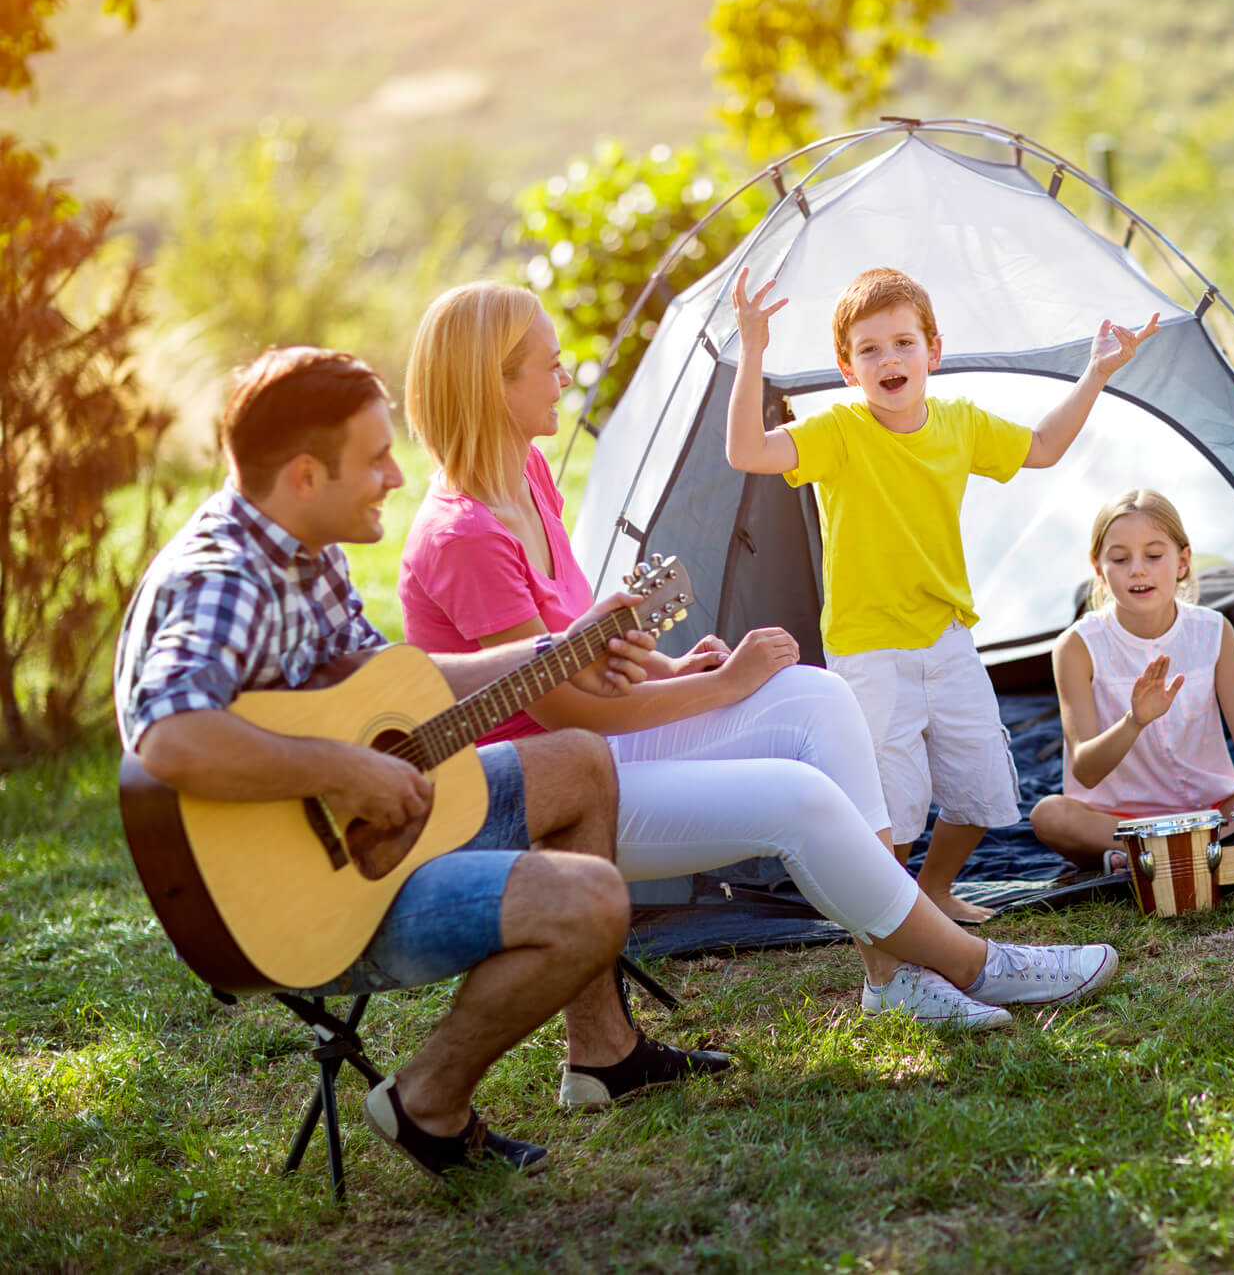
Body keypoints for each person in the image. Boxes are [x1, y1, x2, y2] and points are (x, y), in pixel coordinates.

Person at [398, 281, 1122, 1031]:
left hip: (605, 744)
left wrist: (675, 670)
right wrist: (724, 688)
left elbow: (570, 652)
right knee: (794, 796)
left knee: (818, 695)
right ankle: (971, 962)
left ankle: (892, 973)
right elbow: (559, 708)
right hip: (543, 794)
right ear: (493, 383)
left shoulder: (529, 475)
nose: (566, 379)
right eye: (549, 366)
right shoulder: (463, 535)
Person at [113, 346, 691, 1183]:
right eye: (376, 457)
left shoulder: (304, 547)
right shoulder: (226, 576)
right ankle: (428, 1099)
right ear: (307, 473)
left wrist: (560, 649)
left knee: (579, 760)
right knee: (591, 899)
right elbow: (169, 739)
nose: (396, 473)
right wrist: (341, 773)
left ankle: (602, 1053)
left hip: (363, 835)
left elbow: (399, 686)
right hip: (302, 898)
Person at [725, 265, 1160, 921]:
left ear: (933, 350)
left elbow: (1042, 447)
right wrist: (753, 349)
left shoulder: (957, 423)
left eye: (903, 342)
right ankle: (891, 919)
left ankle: (929, 893)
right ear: (847, 367)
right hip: (870, 651)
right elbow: (747, 451)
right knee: (890, 806)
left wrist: (1096, 371)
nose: (888, 359)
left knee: (982, 788)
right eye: (869, 349)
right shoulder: (838, 432)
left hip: (948, 638)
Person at [1027, 489, 1234, 871]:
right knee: (1050, 816)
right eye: (1119, 558)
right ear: (1098, 568)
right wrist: (1135, 721)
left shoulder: (1215, 630)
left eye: (1153, 555)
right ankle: (1183, 850)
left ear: (1182, 562)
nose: (1137, 570)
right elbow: (1085, 768)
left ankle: (1158, 857)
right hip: (1122, 824)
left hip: (1214, 808)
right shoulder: (1076, 646)